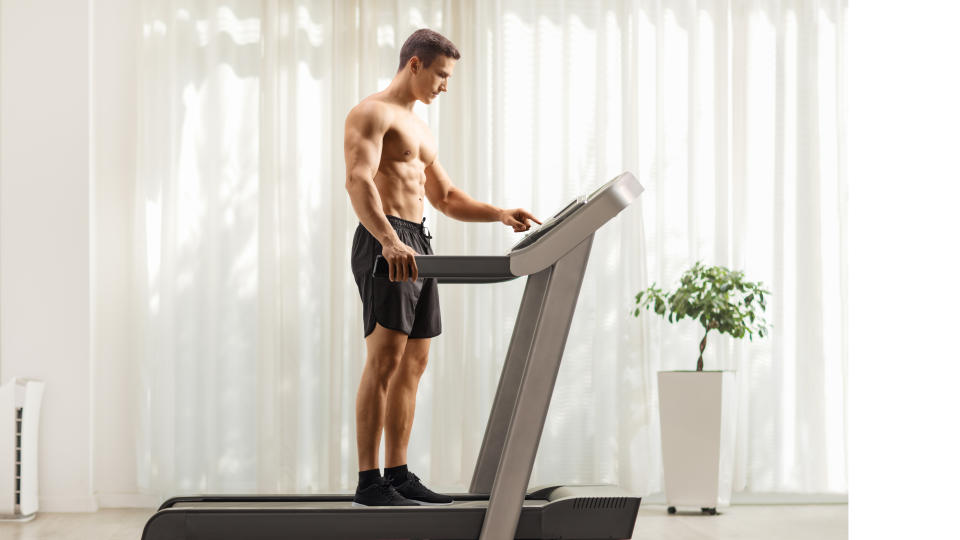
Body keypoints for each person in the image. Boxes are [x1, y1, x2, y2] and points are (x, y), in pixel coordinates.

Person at [344, 28, 541, 507]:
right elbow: (358, 181)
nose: (445, 86)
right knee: (385, 359)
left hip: (419, 242)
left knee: (415, 362)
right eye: (441, 75)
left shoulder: (422, 130)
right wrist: (388, 240)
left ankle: (399, 472)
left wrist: (498, 213)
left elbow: (446, 197)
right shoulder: (371, 113)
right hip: (385, 240)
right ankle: (370, 482)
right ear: (415, 64)